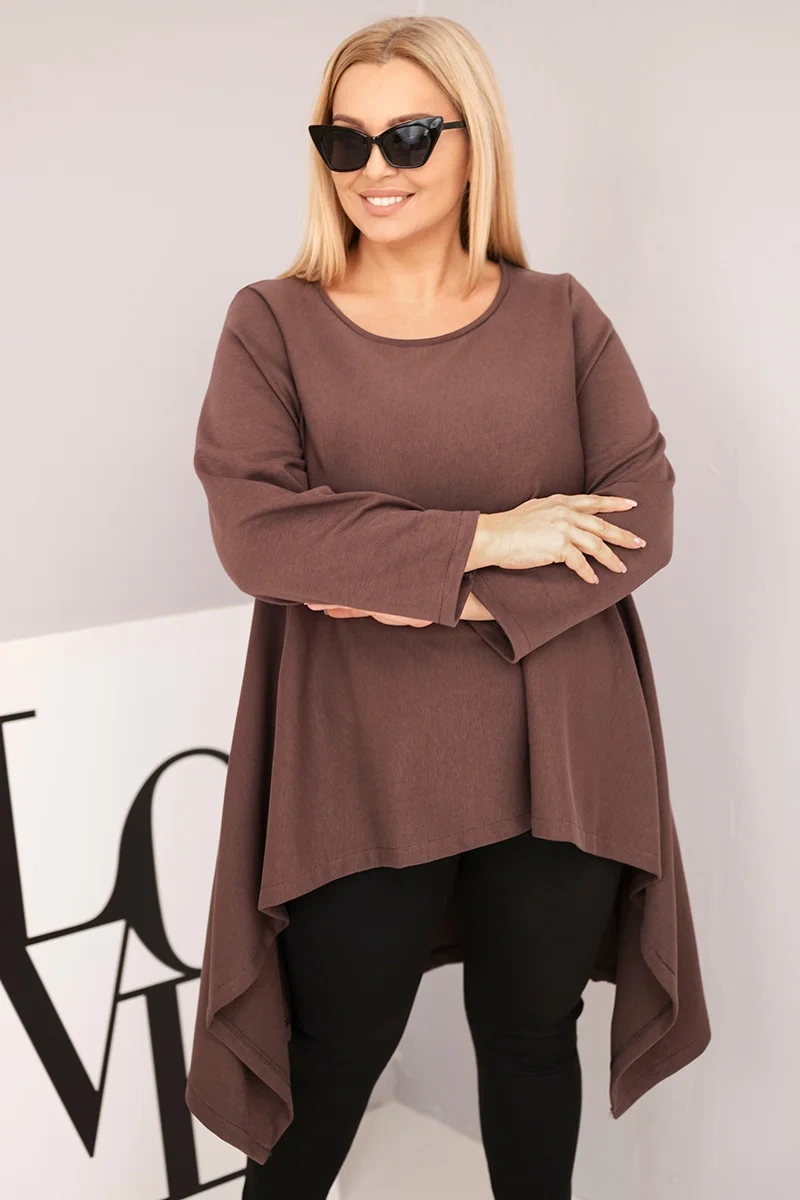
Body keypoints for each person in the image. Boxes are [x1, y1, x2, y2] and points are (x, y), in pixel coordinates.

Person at [185, 15, 711, 1200]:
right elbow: (259, 533)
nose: (373, 167)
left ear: (475, 144)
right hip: (360, 755)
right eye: (344, 139)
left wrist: (414, 589)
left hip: (557, 747)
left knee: (529, 1046)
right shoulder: (272, 322)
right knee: (331, 1059)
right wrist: (492, 535)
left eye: (409, 136)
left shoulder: (559, 315)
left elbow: (641, 517)